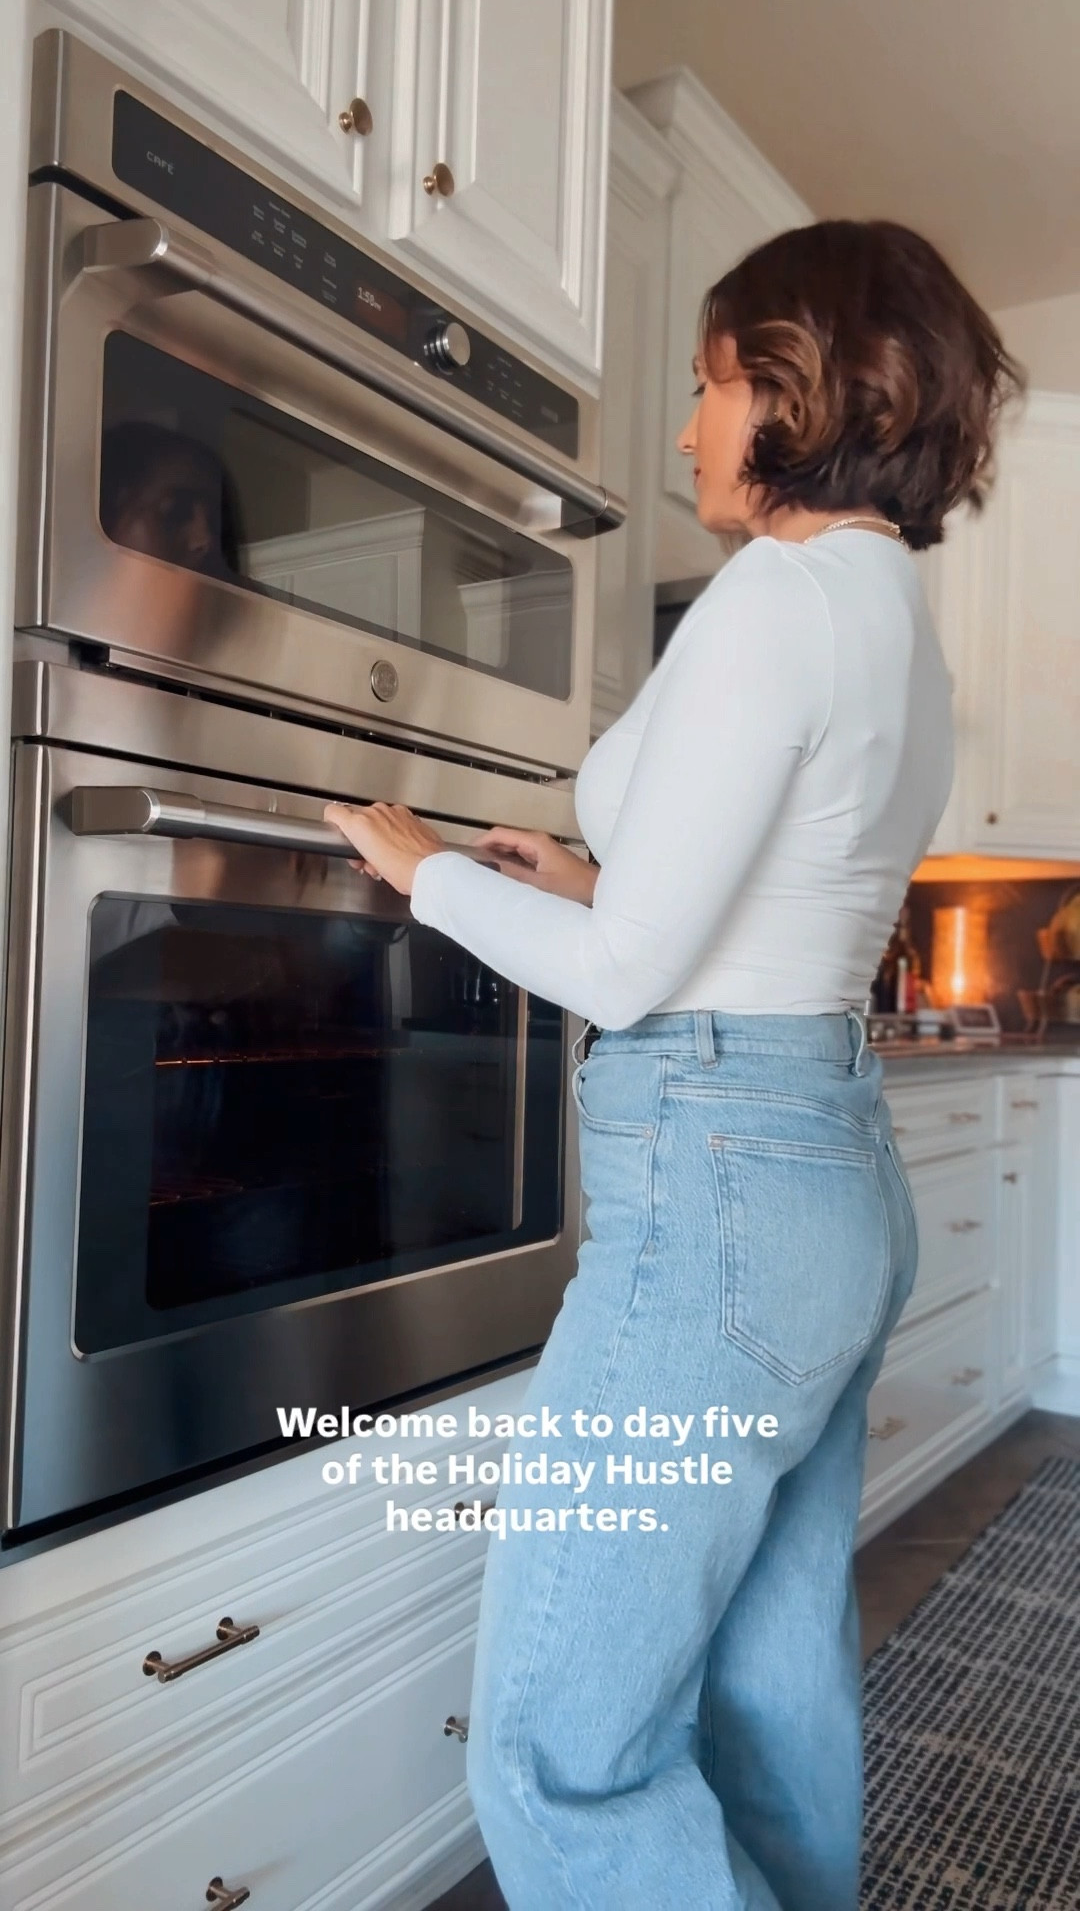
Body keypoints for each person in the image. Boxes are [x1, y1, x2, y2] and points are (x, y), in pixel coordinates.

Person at [323, 220, 1025, 1910]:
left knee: (562, 1751)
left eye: (709, 387)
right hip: (822, 1177)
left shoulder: (776, 597)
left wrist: (434, 874)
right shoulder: (893, 622)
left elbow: (634, 979)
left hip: (713, 1203)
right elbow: (768, 902)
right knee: (768, 1693)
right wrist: (575, 878)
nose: (691, 431)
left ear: (798, 386)